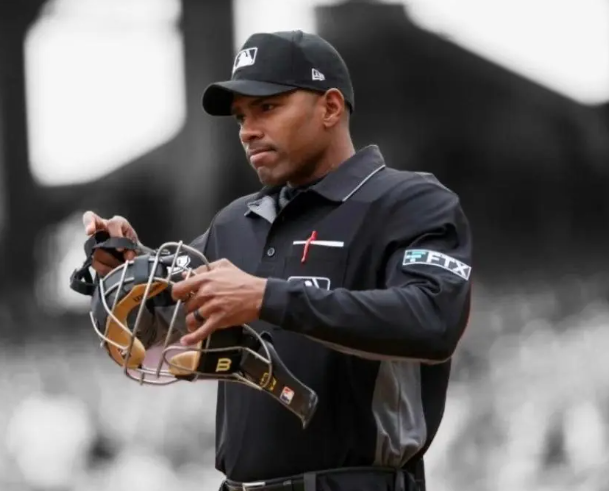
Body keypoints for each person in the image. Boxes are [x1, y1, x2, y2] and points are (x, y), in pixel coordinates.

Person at [82, 30, 472, 491]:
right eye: (241, 116)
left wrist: (267, 297)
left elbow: (432, 322)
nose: (247, 130)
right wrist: (132, 272)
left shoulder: (409, 202)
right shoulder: (235, 222)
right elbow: (165, 332)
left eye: (267, 107)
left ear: (329, 107)